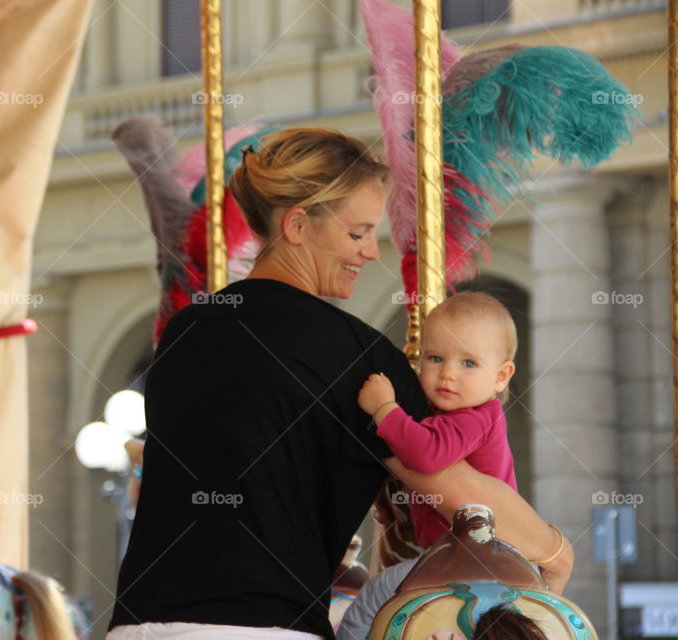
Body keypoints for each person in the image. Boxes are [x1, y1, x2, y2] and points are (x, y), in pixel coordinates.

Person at [106, 128, 572, 640]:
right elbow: (461, 493)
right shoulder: (353, 354)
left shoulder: (186, 329)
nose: (372, 252)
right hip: (262, 627)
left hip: (136, 623)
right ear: (298, 225)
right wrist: (555, 551)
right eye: (357, 233)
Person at [339, 292, 561, 640]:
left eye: (469, 363)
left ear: (502, 376)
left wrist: (384, 410)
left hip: (477, 558)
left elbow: (427, 454)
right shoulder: (455, 415)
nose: (448, 374)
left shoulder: (476, 417)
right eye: (435, 357)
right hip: (472, 557)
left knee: (376, 594)